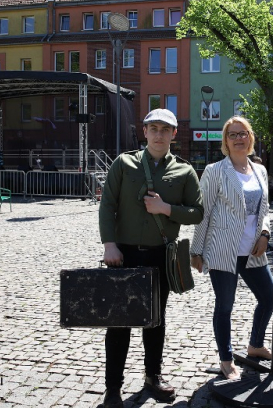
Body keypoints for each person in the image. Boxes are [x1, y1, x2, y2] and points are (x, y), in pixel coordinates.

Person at [98, 109, 204, 408]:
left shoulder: (184, 172)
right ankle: (113, 388)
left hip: (161, 256)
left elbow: (198, 211)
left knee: (155, 321)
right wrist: (109, 245)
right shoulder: (125, 163)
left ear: (174, 134)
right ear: (144, 132)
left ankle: (152, 376)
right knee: (119, 323)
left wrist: (166, 209)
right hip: (124, 254)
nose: (159, 134)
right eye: (153, 128)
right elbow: (107, 205)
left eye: (165, 129)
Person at [190, 116, 273, 380]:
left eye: (243, 133)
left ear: (251, 138)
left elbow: (265, 210)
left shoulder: (259, 170)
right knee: (225, 305)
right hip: (223, 249)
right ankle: (226, 359)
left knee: (269, 296)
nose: (239, 138)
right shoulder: (215, 171)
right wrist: (196, 250)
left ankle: (255, 345)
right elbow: (204, 213)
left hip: (253, 250)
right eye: (233, 134)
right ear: (225, 141)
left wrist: (265, 233)